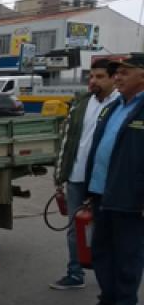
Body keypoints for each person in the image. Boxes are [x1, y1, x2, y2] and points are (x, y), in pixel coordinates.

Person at [79, 54, 144, 305]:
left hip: (131, 195)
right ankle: (108, 301)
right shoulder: (115, 106)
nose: (118, 77)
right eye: (116, 73)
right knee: (102, 249)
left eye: (125, 73)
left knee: (128, 253)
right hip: (102, 191)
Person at [51, 59, 118, 290]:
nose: (93, 81)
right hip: (76, 176)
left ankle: (108, 280)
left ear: (113, 78)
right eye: (91, 76)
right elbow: (66, 140)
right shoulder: (81, 103)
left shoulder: (121, 104)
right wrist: (60, 175)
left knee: (105, 230)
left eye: (100, 77)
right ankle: (75, 272)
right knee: (74, 229)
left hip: (104, 180)